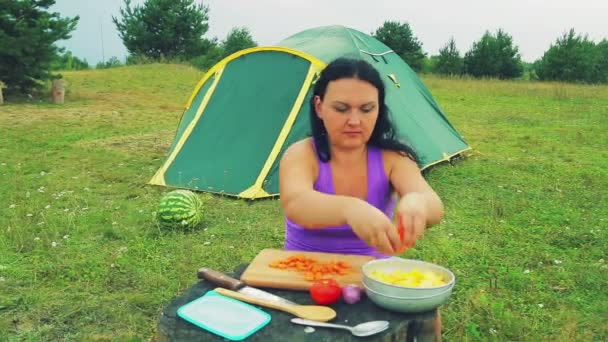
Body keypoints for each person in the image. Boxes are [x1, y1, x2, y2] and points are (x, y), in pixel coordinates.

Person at [279, 57, 444, 258]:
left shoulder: (394, 158)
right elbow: (296, 204)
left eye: (367, 109)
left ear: (379, 109)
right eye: (341, 109)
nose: (355, 121)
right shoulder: (301, 154)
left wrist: (418, 202)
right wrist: (349, 209)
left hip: (372, 273)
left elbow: (434, 206)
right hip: (302, 270)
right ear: (319, 107)